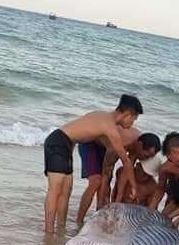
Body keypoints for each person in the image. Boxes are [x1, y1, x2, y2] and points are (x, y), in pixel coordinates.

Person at [43, 94, 142, 234]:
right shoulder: (110, 127)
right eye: (134, 118)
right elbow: (125, 161)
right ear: (127, 114)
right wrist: (133, 186)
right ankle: (48, 232)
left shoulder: (103, 116)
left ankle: (60, 229)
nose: (132, 123)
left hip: (67, 145)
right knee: (56, 189)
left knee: (66, 190)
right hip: (58, 142)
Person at [110, 133, 162, 205]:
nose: (146, 177)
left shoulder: (152, 187)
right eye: (144, 172)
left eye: (149, 175)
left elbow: (150, 211)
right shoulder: (121, 172)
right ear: (137, 166)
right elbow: (114, 194)